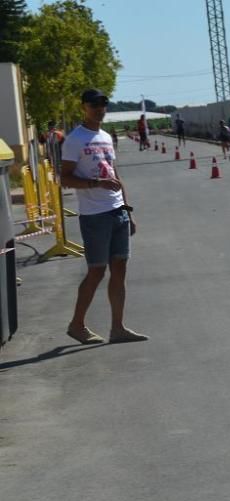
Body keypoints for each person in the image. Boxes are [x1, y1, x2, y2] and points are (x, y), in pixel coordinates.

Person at [60, 88, 147, 345]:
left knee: (119, 269)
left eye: (103, 104)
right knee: (97, 271)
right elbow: (64, 178)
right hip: (94, 215)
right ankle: (77, 325)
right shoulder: (74, 139)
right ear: (84, 107)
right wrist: (95, 184)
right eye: (94, 104)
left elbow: (115, 175)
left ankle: (117, 328)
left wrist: (127, 211)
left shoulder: (106, 137)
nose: (100, 108)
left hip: (117, 211)